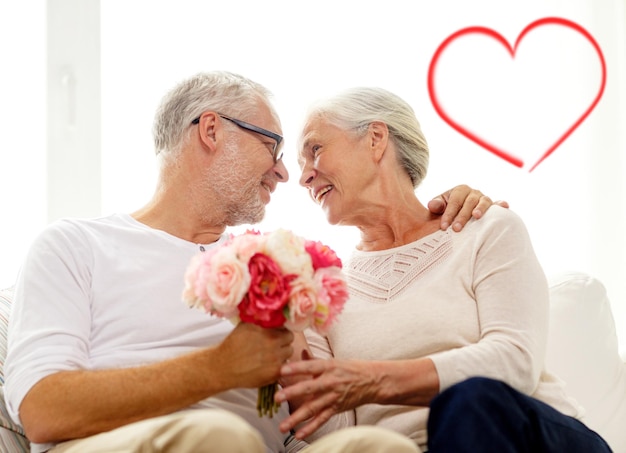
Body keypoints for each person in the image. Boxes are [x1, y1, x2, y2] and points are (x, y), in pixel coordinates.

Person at [4, 71, 498, 453]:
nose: (285, 172)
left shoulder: (276, 265)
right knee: (216, 437)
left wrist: (457, 213)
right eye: (272, 145)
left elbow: (314, 409)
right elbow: (42, 409)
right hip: (131, 442)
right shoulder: (75, 245)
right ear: (212, 130)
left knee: (377, 447)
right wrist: (220, 367)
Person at [274, 87, 613, 452]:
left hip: (531, 438)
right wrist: (287, 320)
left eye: (315, 150)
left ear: (375, 139)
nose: (304, 177)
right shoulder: (322, 290)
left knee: (468, 401)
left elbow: (516, 360)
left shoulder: (486, 229)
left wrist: (374, 380)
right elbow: (332, 435)